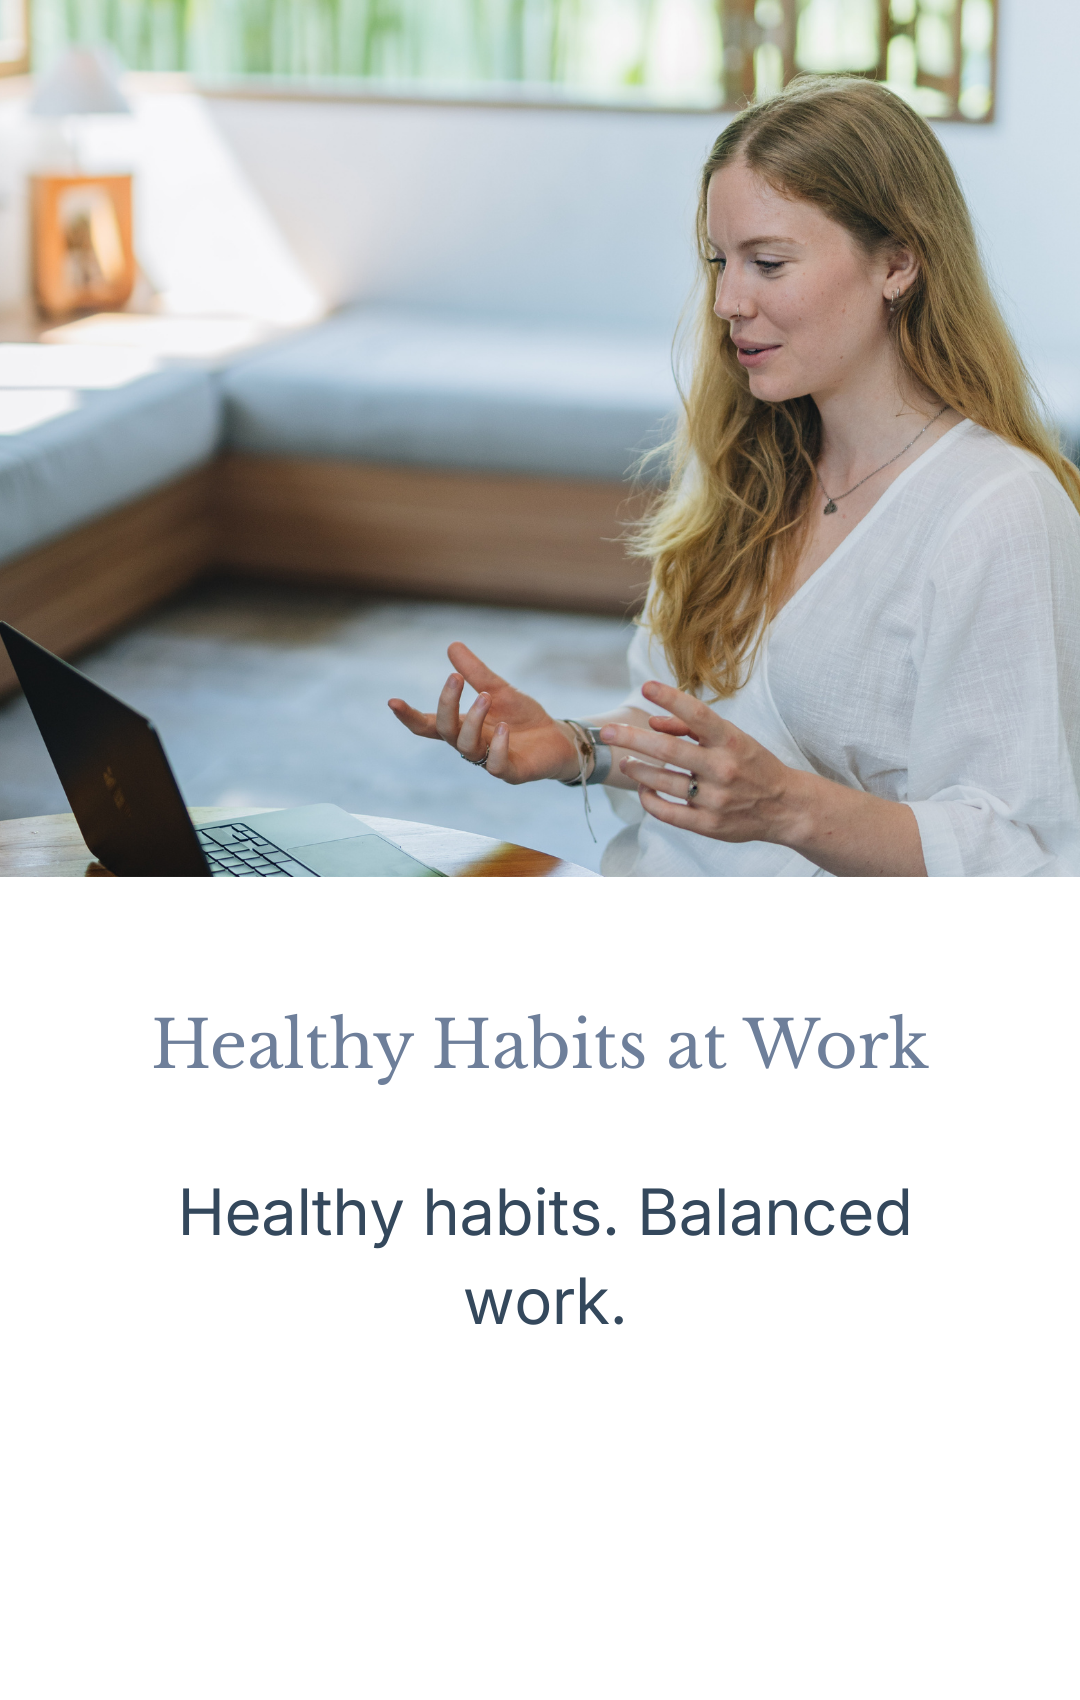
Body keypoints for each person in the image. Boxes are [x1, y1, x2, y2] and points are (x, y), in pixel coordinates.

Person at [389, 75, 1080, 877]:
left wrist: (786, 807)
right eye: (721, 261)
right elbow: (712, 744)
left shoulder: (998, 512)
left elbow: (1027, 856)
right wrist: (578, 745)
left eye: (769, 263)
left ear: (898, 263)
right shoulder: (751, 465)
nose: (727, 300)